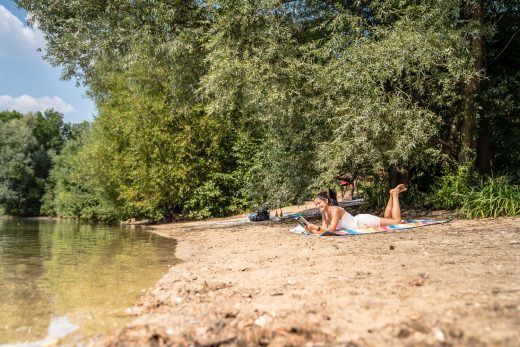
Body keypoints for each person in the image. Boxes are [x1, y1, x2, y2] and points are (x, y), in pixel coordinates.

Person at [305, 184, 407, 234]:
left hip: (362, 222)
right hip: (359, 222)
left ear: (326, 201)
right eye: (316, 205)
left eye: (319, 203)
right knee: (387, 218)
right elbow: (324, 230)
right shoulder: (324, 212)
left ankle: (395, 195)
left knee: (396, 221)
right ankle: (391, 194)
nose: (318, 206)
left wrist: (315, 228)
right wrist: (312, 230)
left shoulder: (335, 210)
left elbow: (331, 229)